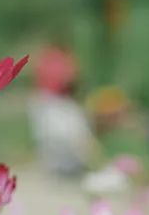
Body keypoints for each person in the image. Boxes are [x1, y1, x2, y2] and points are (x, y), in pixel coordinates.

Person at [27, 45, 98, 176]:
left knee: (57, 137)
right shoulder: (62, 61)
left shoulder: (46, 59)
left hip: (48, 100)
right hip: (52, 101)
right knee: (69, 135)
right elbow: (70, 81)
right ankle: (88, 165)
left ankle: (75, 166)